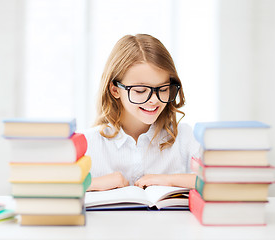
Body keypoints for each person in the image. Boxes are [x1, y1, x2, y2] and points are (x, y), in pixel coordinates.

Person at [84, 34, 201, 191]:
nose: (153, 100)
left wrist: (171, 180)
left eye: (163, 89)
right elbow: (50, 188)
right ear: (115, 90)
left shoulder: (185, 138)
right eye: (140, 90)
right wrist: (93, 184)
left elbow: (221, 181)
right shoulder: (89, 144)